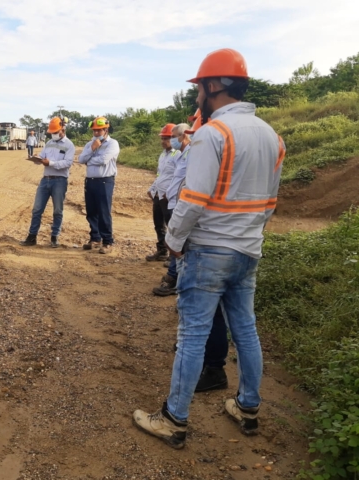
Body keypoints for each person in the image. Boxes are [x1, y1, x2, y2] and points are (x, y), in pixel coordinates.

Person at [132, 48, 285, 448]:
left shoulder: (211, 135)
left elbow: (194, 199)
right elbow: (270, 202)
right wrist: (249, 235)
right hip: (247, 250)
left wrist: (174, 242)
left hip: (209, 250)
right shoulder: (272, 137)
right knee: (246, 331)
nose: (197, 94)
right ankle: (247, 407)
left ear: (214, 86)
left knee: (194, 334)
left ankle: (174, 419)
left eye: (200, 86)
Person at [19, 117, 75, 248]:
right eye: (52, 132)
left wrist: (51, 163)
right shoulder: (49, 143)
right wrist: (37, 158)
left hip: (59, 181)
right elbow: (43, 156)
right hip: (45, 180)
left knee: (57, 211)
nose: (53, 134)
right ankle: (32, 237)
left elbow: (67, 163)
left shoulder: (69, 145)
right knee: (37, 209)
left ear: (63, 129)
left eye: (55, 132)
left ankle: (55, 237)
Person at [152, 123, 191, 296]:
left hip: (180, 204)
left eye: (172, 137)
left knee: (179, 241)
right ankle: (173, 276)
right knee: (170, 233)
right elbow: (167, 176)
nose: (168, 140)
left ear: (184, 135)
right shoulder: (182, 154)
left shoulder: (187, 154)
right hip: (168, 199)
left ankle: (176, 280)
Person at [77, 117, 120, 254]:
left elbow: (104, 160)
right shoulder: (90, 144)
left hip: (104, 181)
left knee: (103, 212)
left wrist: (89, 161)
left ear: (105, 129)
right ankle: (95, 238)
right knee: (91, 212)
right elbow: (81, 159)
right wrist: (92, 148)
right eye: (94, 130)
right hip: (90, 181)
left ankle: (107, 241)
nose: (96, 133)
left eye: (98, 130)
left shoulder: (112, 144)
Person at [145, 124, 177, 261]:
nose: (163, 141)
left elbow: (180, 178)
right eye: (162, 138)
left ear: (175, 138)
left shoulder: (179, 154)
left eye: (167, 138)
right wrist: (152, 189)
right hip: (158, 194)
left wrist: (170, 193)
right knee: (159, 225)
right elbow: (160, 175)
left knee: (172, 226)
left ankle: (173, 255)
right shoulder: (163, 155)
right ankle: (162, 250)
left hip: (169, 197)